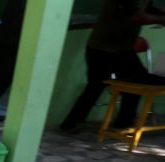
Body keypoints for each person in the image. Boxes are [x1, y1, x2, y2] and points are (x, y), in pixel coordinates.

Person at [60, 0, 165, 131]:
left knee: (134, 83)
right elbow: (135, 16)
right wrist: (161, 19)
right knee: (96, 87)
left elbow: (146, 8)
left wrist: (160, 13)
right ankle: (71, 124)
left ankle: (122, 123)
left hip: (121, 49)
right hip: (103, 49)